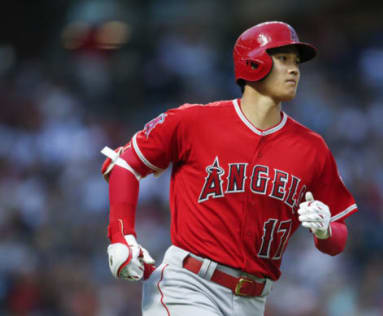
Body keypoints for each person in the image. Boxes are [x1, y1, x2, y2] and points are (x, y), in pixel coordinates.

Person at [101, 21, 358, 316]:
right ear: (253, 62)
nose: (295, 69)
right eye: (284, 59)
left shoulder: (313, 149)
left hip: (253, 302)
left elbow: (338, 238)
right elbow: (124, 163)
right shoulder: (195, 121)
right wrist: (121, 236)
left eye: (297, 62)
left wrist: (325, 231)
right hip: (189, 284)